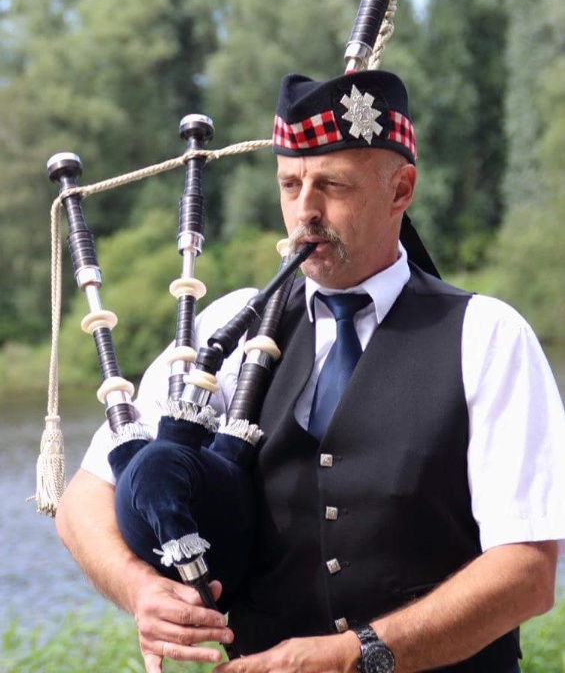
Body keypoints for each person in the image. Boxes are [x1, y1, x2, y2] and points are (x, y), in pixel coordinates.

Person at [56, 69, 565, 673]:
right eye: (290, 184)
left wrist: (356, 654)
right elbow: (86, 497)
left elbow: (527, 572)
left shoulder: (486, 337)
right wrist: (140, 588)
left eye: (332, 185)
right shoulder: (231, 328)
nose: (305, 211)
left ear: (401, 190)